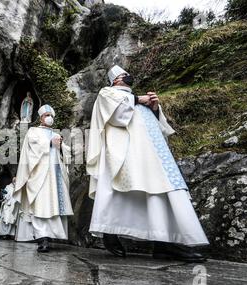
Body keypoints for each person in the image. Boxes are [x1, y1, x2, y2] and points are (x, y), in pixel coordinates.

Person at [86, 65, 209, 262]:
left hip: (153, 154)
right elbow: (117, 116)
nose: (128, 77)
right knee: (120, 191)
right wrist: (137, 99)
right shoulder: (107, 93)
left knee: (162, 193)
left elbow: (159, 126)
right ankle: (110, 232)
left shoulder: (135, 98)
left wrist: (153, 107)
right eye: (124, 75)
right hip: (126, 152)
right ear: (116, 80)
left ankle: (165, 244)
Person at [13, 104, 74, 253]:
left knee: (53, 205)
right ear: (40, 118)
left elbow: (66, 153)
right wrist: (48, 143)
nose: (49, 118)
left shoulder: (55, 133)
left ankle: (50, 236)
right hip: (39, 175)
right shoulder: (33, 131)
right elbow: (32, 148)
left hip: (55, 175)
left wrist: (60, 145)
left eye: (51, 115)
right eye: (46, 115)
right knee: (40, 205)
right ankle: (42, 238)